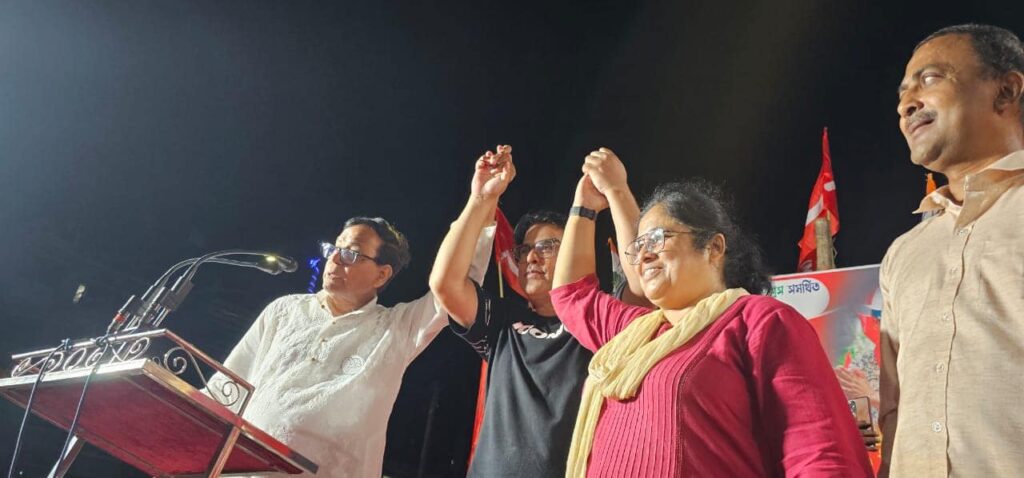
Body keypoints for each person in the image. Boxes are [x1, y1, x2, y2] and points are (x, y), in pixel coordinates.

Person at [550, 150, 872, 477]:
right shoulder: (633, 335)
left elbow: (820, 452)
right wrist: (584, 207)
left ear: (714, 247)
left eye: (658, 238)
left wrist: (619, 192)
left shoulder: (757, 320)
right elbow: (571, 295)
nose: (643, 254)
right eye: (638, 245)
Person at [209, 216, 493, 477]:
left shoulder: (396, 329)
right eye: (334, 248)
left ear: (382, 275)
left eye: (351, 253)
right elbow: (227, 388)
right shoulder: (285, 310)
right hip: (239, 469)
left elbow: (455, 286)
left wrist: (482, 203)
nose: (334, 258)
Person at [882, 23, 1024, 477]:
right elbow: (894, 407)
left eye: (930, 79)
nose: (906, 104)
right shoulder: (904, 253)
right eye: (903, 93)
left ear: (1006, 91)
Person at [429, 145, 594, 477]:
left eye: (547, 247)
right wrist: (481, 198)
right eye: (524, 250)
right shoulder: (503, 321)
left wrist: (607, 198)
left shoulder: (598, 322)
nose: (531, 257)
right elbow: (445, 283)